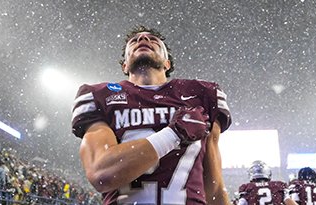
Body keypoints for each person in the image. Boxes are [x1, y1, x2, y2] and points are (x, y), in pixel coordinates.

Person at [71, 26, 232, 204]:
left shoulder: (200, 95)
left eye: (153, 40)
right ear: (125, 66)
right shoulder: (102, 97)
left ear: (167, 63)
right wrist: (174, 134)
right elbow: (101, 174)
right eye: (135, 41)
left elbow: (214, 185)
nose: (143, 40)